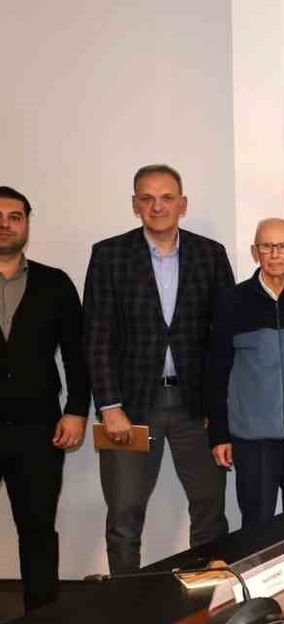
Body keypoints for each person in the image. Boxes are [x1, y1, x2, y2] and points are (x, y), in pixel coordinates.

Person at [84, 164, 234, 573]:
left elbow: (224, 338)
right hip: (129, 408)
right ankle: (125, 601)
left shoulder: (211, 254)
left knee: (209, 511)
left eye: (167, 198)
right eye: (147, 198)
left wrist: (219, 409)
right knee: (124, 515)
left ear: (182, 204)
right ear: (135, 205)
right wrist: (109, 406)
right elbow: (96, 337)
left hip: (196, 409)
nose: (157, 206)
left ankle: (206, 595)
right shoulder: (109, 255)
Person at [0, 186, 88, 612]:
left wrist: (76, 411)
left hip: (37, 428)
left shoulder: (54, 284)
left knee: (37, 529)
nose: (5, 225)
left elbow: (77, 354)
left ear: (27, 224)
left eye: (14, 217)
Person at [205, 219, 284, 524]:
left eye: (283, 246)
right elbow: (217, 372)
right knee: (256, 526)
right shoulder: (232, 300)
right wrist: (219, 434)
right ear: (255, 252)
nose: (275, 254)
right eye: (267, 246)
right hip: (252, 440)